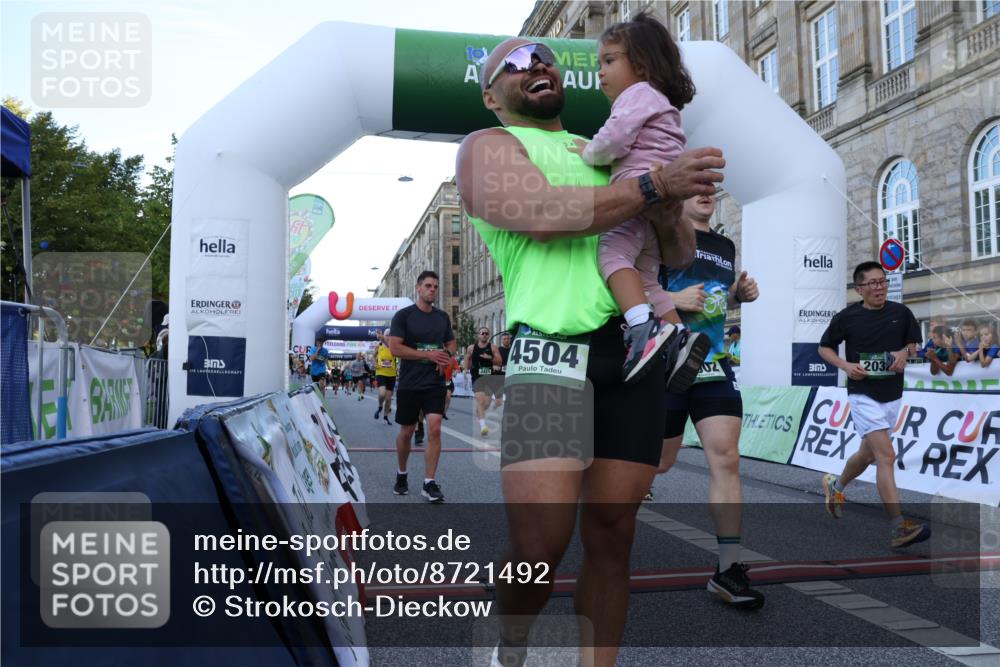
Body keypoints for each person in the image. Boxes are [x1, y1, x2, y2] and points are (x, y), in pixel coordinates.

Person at [456, 25, 724, 665]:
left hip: (633, 357)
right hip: (549, 354)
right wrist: (657, 186)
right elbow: (545, 215)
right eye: (516, 62)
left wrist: (666, 206)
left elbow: (680, 251)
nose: (536, 62)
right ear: (493, 97)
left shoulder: (601, 147)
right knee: (540, 548)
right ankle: (509, 643)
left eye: (543, 56)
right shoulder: (488, 145)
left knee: (613, 538)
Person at [568, 12, 709, 386]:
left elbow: (614, 139)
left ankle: (642, 329)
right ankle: (680, 336)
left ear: (641, 64)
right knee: (648, 279)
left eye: (610, 61)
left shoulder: (637, 95)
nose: (601, 72)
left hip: (636, 187)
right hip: (661, 200)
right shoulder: (665, 104)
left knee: (612, 255)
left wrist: (588, 152)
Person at [652, 194, 764, 609]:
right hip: (664, 363)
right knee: (658, 463)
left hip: (711, 362)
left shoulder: (723, 244)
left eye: (712, 184)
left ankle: (727, 569)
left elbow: (715, 299)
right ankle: (603, 541)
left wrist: (738, 294)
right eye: (696, 182)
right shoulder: (660, 232)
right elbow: (623, 289)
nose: (706, 191)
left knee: (726, 458)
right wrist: (671, 300)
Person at [819, 261, 928, 549]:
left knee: (867, 455)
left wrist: (905, 353)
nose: (880, 287)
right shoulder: (847, 317)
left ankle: (836, 485)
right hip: (862, 393)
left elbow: (914, 346)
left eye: (883, 282)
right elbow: (824, 347)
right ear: (860, 289)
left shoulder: (901, 313)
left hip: (892, 394)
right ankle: (898, 527)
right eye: (873, 283)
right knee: (886, 456)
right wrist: (845, 365)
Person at [388, 271, 456, 503]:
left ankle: (429, 482)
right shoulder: (403, 316)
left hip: (434, 383)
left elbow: (451, 342)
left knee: (435, 427)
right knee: (407, 432)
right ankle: (401, 473)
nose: (432, 290)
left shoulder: (442, 317)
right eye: (428, 286)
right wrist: (427, 354)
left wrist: (445, 356)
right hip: (410, 382)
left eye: (436, 286)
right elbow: (395, 348)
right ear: (418, 288)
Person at [463, 326, 503, 436]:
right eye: (482, 333)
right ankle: (483, 426)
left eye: (486, 333)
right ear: (478, 335)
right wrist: (465, 370)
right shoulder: (471, 348)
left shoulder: (493, 348)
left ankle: (479, 413)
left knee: (486, 404)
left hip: (489, 378)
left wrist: (489, 358)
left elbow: (499, 362)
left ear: (489, 335)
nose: (484, 335)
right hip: (477, 377)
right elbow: (467, 358)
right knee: (480, 400)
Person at [374, 329, 397, 424]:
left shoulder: (394, 347)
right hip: (381, 372)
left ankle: (385, 417)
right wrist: (374, 363)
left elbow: (397, 358)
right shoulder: (378, 346)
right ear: (384, 335)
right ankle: (380, 406)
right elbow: (373, 357)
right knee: (382, 394)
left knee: (388, 398)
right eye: (387, 335)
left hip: (392, 374)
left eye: (390, 335)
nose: (388, 336)